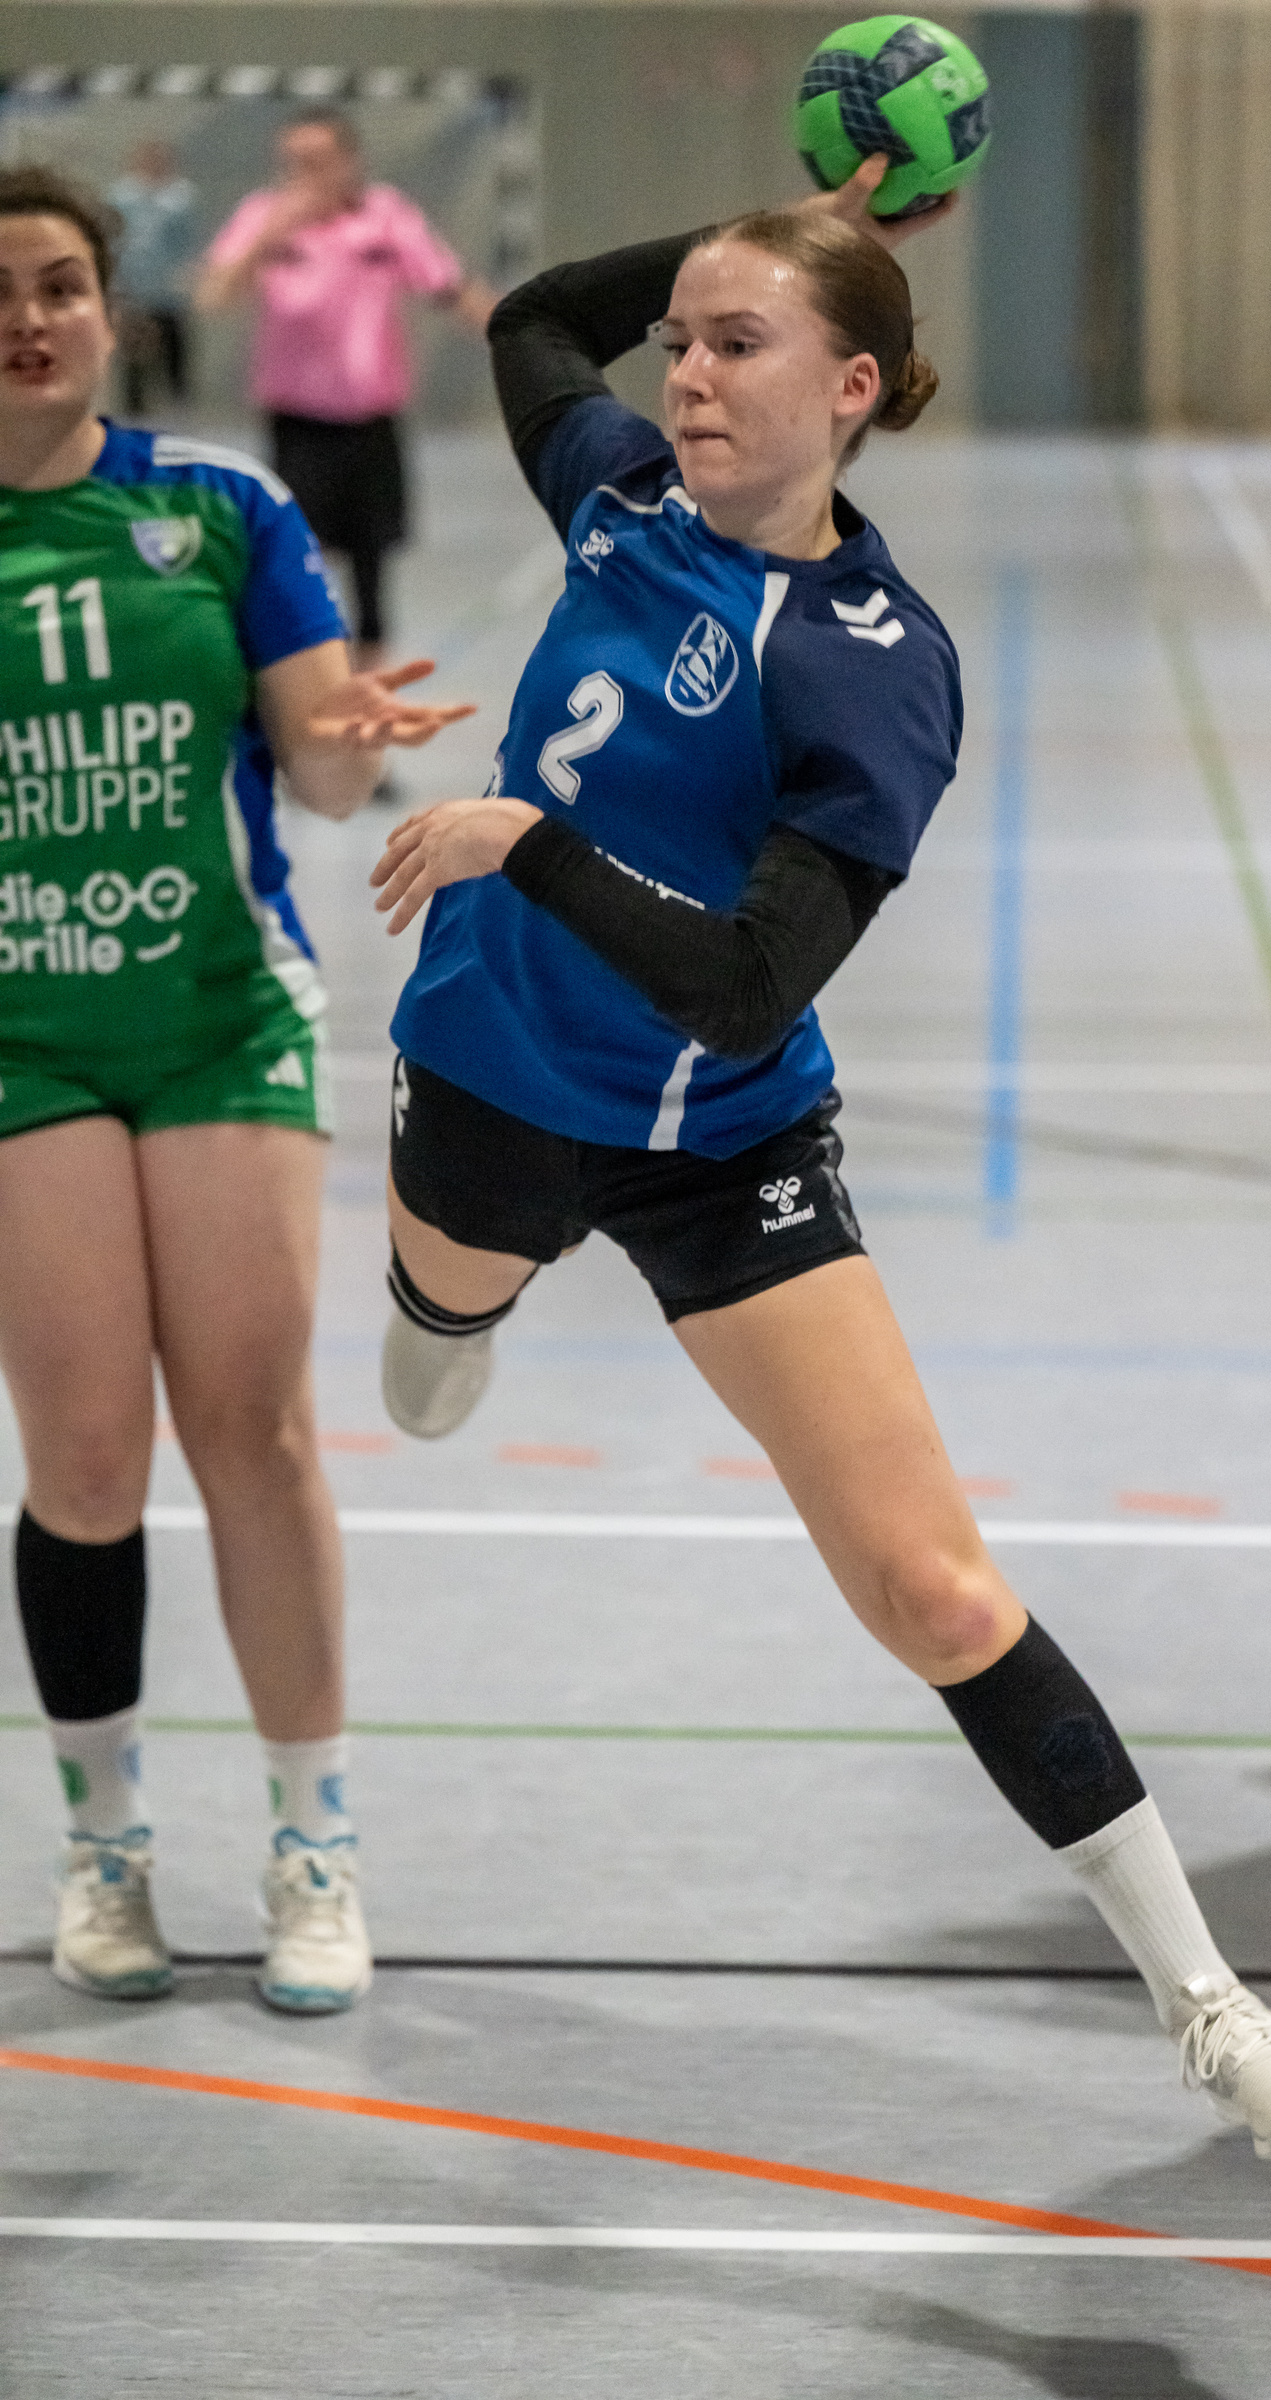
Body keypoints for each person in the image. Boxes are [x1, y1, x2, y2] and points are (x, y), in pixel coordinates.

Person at [364, 158, 1271, 2161]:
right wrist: (768, 222)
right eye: (682, 343)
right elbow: (532, 319)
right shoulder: (615, 494)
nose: (684, 375)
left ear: (850, 388)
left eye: (737, 344)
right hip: (488, 1075)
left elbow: (747, 991)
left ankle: (1207, 2006)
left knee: (928, 1583)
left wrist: (525, 841)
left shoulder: (871, 661)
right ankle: (449, 1305)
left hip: (720, 1133)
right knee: (422, 1367)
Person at [0, 164, 471, 2013]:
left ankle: (313, 1842)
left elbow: (324, 775)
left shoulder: (218, 510)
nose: (26, 320)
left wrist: (347, 743)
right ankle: (104, 1845)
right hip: (24, 1035)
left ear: (111, 312)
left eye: (56, 285)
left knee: (254, 1432)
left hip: (217, 1015)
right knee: (83, 1460)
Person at [197, 110, 496, 668]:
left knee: (371, 560)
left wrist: (514, 336)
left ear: (348, 162)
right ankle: (308, 674)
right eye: (293, 163)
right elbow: (213, 295)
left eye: (317, 161)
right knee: (295, 555)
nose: (304, 174)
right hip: (298, 422)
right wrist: (270, 234)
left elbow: (448, 287)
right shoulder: (263, 217)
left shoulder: (385, 216)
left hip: (369, 420)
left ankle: (372, 678)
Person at [105, 141, 198, 420]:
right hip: (133, 291)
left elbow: (186, 243)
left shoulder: (180, 199)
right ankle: (133, 412)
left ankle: (179, 409)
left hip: (168, 293)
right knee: (133, 355)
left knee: (173, 353)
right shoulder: (122, 197)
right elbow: (113, 239)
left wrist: (185, 276)